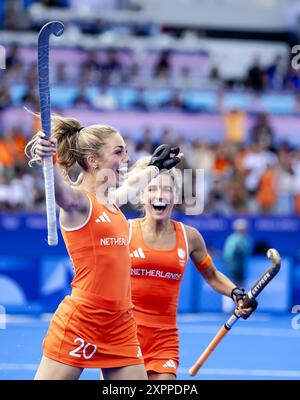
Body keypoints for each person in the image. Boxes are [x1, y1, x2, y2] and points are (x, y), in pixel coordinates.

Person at [25, 116, 182, 380]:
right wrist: (48, 160)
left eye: (126, 151)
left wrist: (155, 168)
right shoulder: (79, 202)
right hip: (83, 320)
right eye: (119, 152)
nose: (126, 159)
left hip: (120, 324)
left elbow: (134, 183)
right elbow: (59, 193)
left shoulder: (112, 201)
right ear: (93, 160)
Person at [128, 167, 257, 380]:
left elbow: (213, 275)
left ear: (175, 197)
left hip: (164, 339)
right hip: (124, 335)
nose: (159, 195)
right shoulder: (125, 230)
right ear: (142, 195)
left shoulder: (190, 237)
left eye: (167, 190)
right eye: (152, 189)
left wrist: (237, 294)